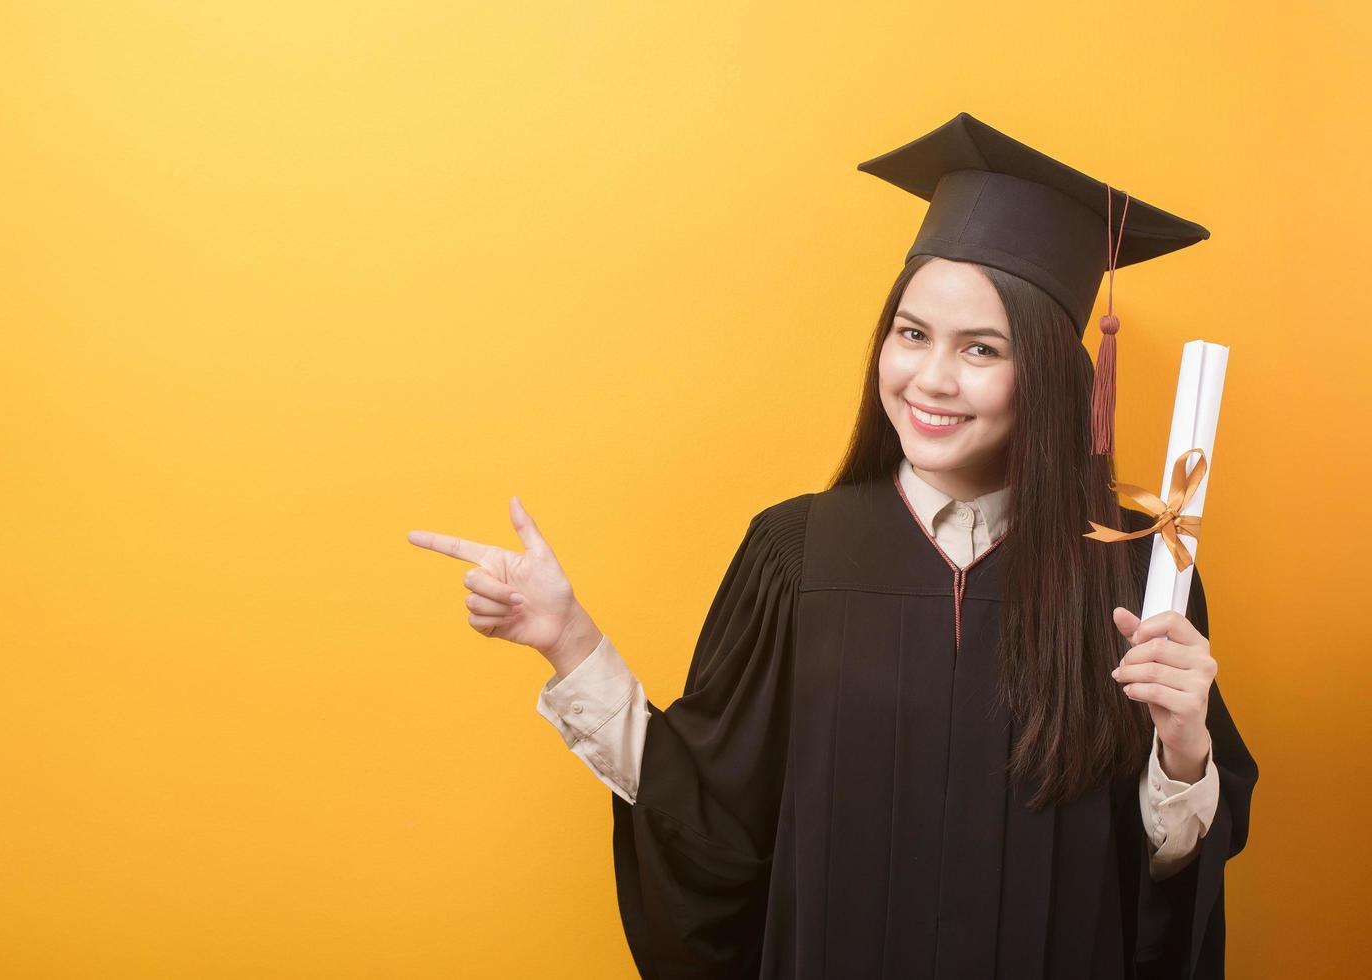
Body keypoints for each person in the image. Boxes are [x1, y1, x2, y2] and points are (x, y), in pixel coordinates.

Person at [408, 113, 1257, 979]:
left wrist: (1182, 747)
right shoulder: (796, 555)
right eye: (911, 333)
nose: (929, 378)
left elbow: (1161, 877)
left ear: (1044, 372)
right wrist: (566, 639)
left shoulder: (1136, 570)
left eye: (980, 349)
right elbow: (710, 819)